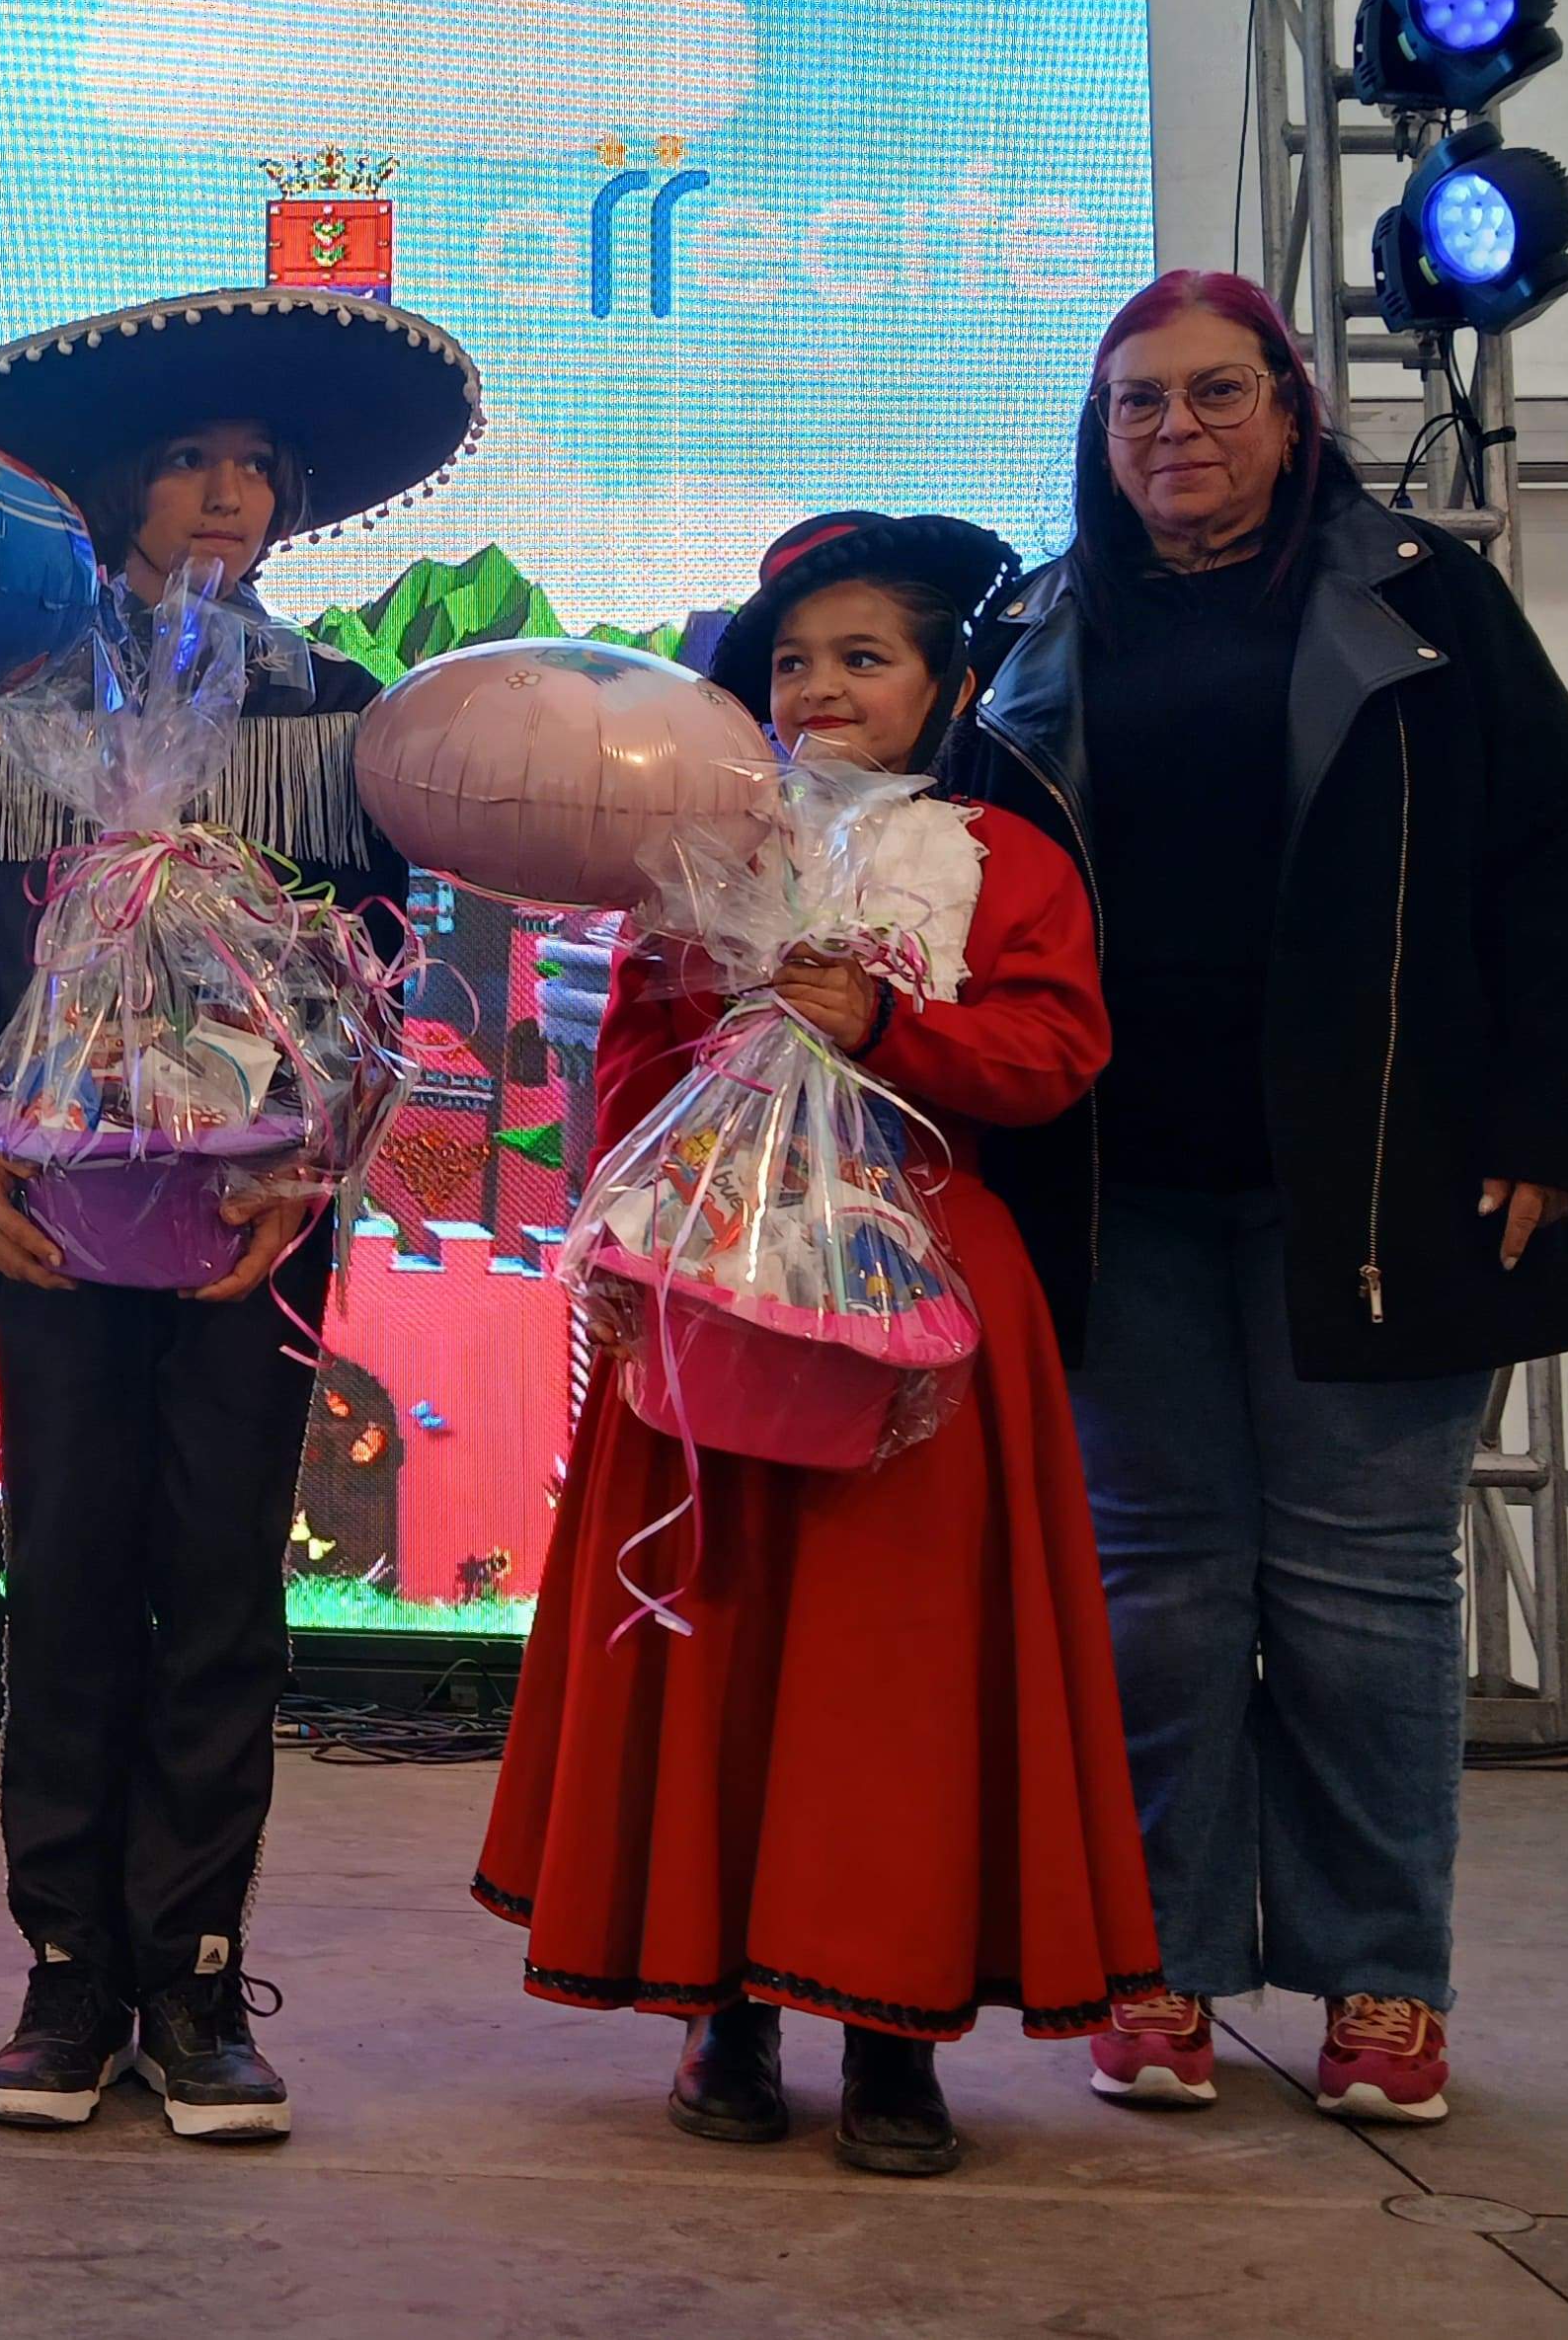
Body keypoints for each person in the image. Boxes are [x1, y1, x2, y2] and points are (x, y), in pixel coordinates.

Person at [969, 269, 1568, 2126]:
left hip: (1386, 1181)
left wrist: (1563, 1128)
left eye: (1214, 395)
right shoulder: (1028, 631)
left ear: (1291, 410)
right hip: (1118, 1187)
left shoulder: (1431, 603)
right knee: (1157, 1597)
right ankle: (1161, 1972)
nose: (1175, 433)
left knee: (1363, 1596)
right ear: (1099, 441)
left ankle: (1381, 1987)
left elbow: (1562, 864)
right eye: (1136, 407)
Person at [476, 510, 1161, 2179]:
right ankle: (725, 2008)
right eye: (795, 661)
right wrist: (643, 1219)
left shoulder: (1007, 861)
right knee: (717, 1623)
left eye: (867, 657)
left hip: (928, 1291)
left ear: (950, 682)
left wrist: (892, 1024)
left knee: (894, 1669)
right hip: (714, 1274)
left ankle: (894, 2034)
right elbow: (632, 1064)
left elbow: (1060, 1049)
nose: (824, 690)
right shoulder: (693, 854)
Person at [0, 288, 476, 2143]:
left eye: (254, 466)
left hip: (253, 1235)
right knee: (66, 1577)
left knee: (223, 1583)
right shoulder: (3, 716)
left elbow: (380, 974)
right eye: (187, 460)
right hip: (59, 1220)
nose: (224, 492)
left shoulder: (339, 721)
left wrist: (317, 1170)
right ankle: (66, 1978)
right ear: (115, 487)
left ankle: (200, 1979)